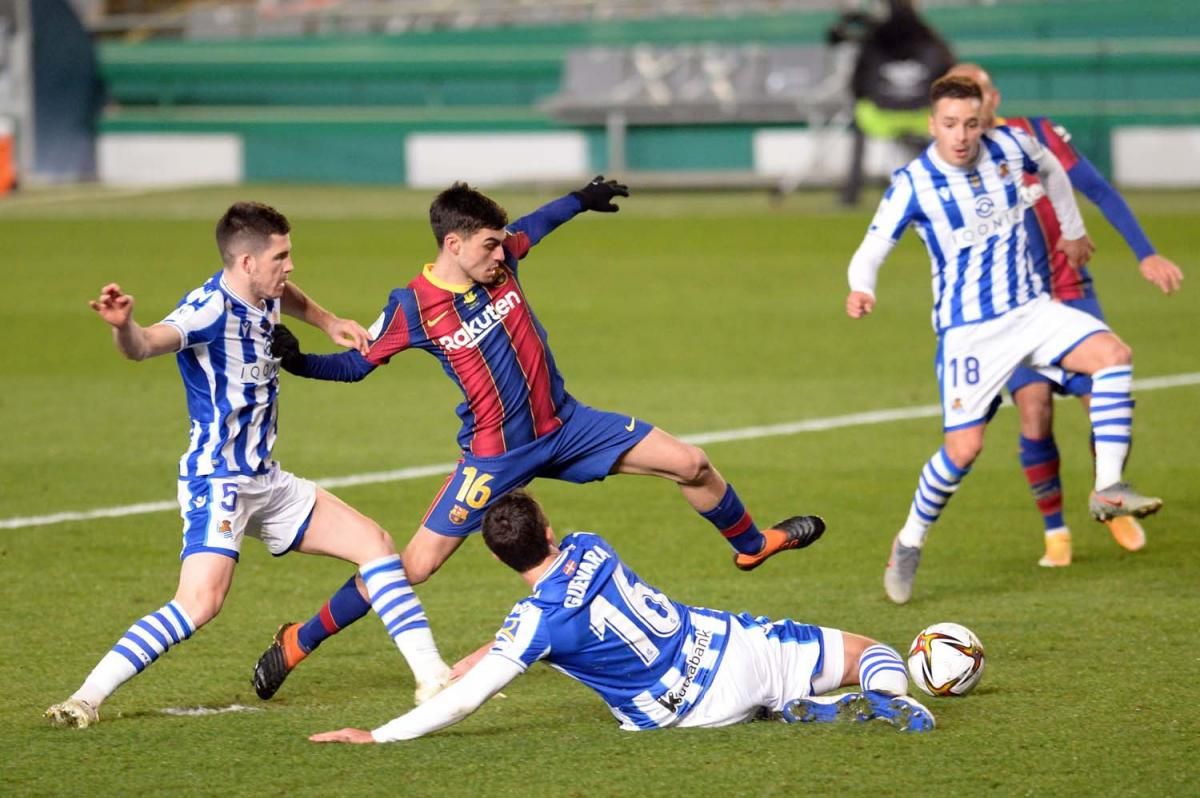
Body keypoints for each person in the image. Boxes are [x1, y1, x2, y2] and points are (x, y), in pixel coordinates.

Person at [249, 177, 825, 701]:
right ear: (454, 245)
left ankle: (750, 544)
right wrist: (302, 363)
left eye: (503, 245)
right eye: (490, 246)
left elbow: (536, 226)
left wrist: (580, 200)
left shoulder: (502, 262)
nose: (503, 254)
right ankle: (301, 637)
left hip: (568, 427)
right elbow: (357, 367)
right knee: (414, 567)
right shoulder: (412, 308)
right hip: (494, 457)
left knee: (692, 464)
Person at [45, 202, 451, 729]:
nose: (289, 267)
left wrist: (329, 321)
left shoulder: (264, 291)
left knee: (375, 545)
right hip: (220, 483)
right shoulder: (206, 310)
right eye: (280, 257)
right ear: (244, 262)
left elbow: (289, 296)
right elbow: (146, 346)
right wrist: (125, 327)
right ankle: (85, 698)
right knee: (199, 604)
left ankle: (434, 678)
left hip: (267, 479)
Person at [844, 75, 1163, 604]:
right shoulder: (914, 183)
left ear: (984, 120)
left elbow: (1056, 172)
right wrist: (862, 288)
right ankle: (909, 541)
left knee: (1114, 356)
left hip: (1034, 311)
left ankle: (1108, 487)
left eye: (971, 123)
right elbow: (871, 250)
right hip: (971, 334)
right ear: (933, 125)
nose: (962, 135)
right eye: (950, 125)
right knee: (964, 449)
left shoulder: (1012, 147)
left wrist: (1072, 228)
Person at [307, 491, 935, 743]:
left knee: (761, 700)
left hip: (689, 710)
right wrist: (486, 653)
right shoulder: (590, 544)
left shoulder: (536, 625)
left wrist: (380, 734)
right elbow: (517, 638)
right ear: (550, 530)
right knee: (871, 652)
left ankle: (809, 710)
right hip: (729, 645)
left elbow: (467, 698)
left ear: (501, 560)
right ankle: (882, 695)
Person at [945, 63, 1184, 567]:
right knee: (1034, 413)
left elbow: (1097, 188)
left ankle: (1109, 493)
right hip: (1013, 310)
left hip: (1071, 292)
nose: (975, 104)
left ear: (993, 97)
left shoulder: (1036, 135)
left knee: (1106, 396)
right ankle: (1056, 532)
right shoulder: (952, 166)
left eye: (981, 93)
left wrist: (1145, 252)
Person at [828, 0, 955, 206]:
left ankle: (852, 192)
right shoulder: (933, 41)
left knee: (859, 118)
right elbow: (949, 76)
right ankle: (947, 184)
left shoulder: (874, 40)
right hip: (921, 117)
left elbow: (858, 84)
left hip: (879, 118)